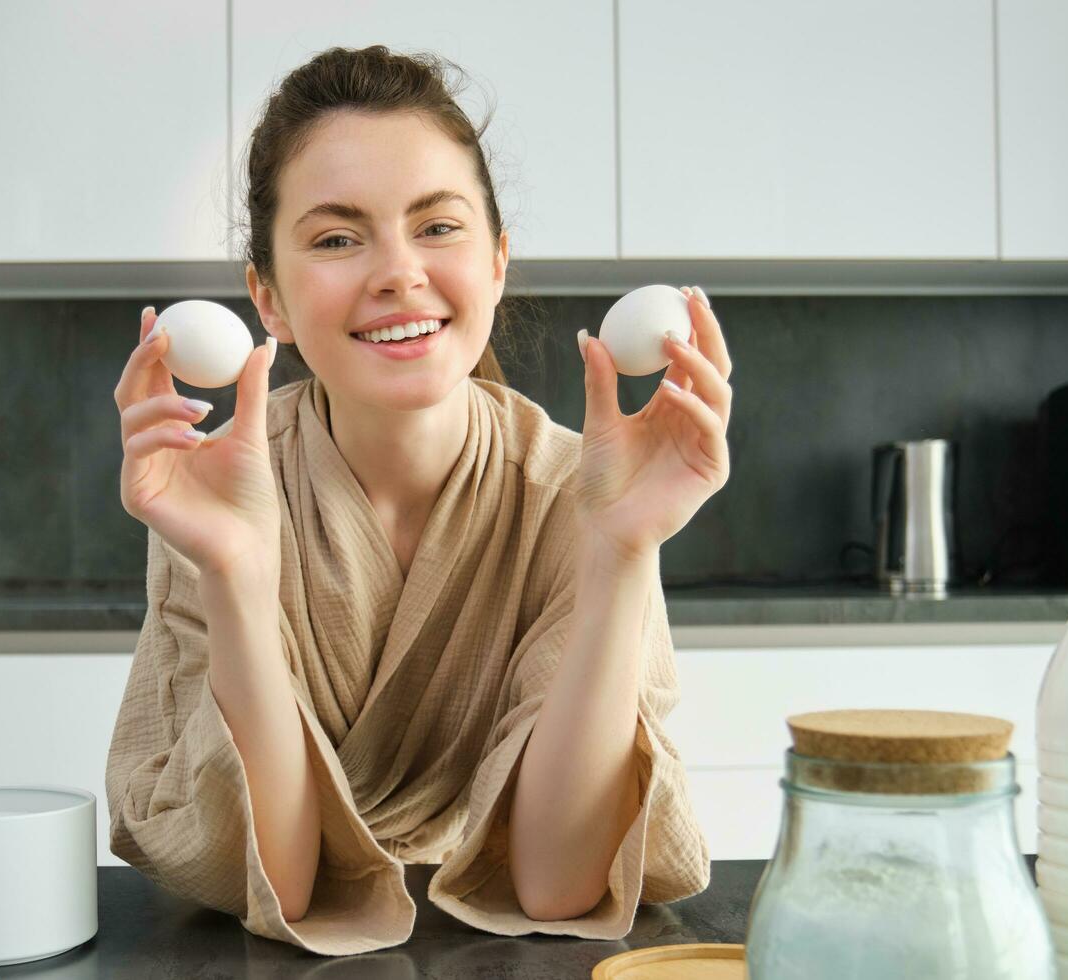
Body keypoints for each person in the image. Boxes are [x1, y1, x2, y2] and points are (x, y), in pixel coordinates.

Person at [104, 45, 733, 955]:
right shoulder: (221, 487)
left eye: (438, 227)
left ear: (499, 262)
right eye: (335, 238)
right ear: (267, 300)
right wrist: (236, 570)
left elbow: (561, 885)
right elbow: (279, 884)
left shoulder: (575, 487)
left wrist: (621, 548)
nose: (399, 272)